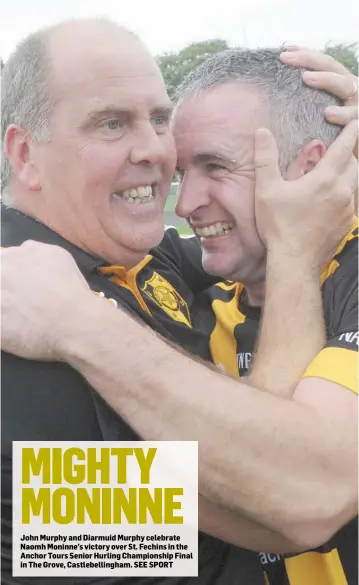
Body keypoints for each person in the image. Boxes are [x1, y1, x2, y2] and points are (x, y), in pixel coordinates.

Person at [1, 18, 357, 585]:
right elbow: (281, 505)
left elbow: (253, 232)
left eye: (159, 119)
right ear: (24, 155)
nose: (155, 151)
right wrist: (83, 329)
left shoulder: (133, 259)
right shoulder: (19, 322)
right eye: (111, 123)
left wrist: (335, 142)